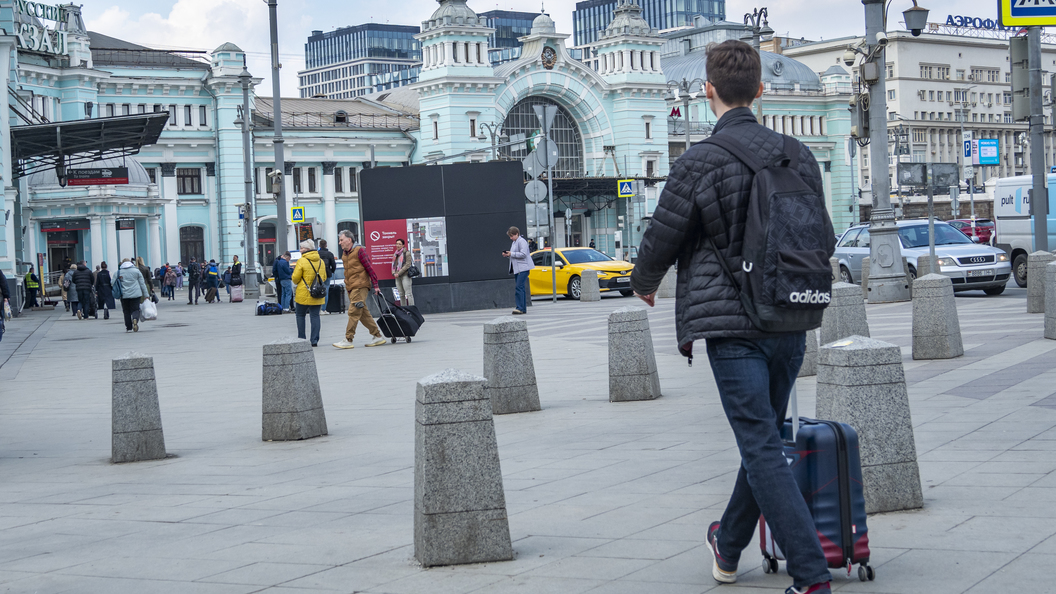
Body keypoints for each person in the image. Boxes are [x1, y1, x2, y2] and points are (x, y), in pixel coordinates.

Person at [629, 41, 834, 594]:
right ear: (762, 91)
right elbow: (823, 233)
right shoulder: (799, 154)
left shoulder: (700, 159)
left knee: (760, 445)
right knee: (762, 439)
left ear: (708, 90)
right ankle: (729, 544)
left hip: (732, 325)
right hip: (791, 316)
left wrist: (644, 283)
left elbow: (662, 235)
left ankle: (812, 577)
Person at [332, 230, 386, 349]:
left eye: (341, 240)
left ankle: (348, 339)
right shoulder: (345, 253)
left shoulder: (359, 250)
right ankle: (377, 336)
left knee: (354, 311)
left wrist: (375, 285)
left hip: (360, 285)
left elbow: (369, 268)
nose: (340, 243)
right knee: (363, 314)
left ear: (349, 240)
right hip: (351, 287)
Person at [291, 239, 326, 347]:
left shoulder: (302, 261)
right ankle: (314, 340)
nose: (300, 250)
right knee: (315, 316)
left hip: (303, 293)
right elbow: (323, 277)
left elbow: (295, 278)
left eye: (301, 248)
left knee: (300, 315)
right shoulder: (321, 261)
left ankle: (302, 339)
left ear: (307, 249)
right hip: (317, 293)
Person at [503, 226, 533, 315]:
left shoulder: (521, 242)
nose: (511, 238)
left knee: (519, 287)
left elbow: (523, 254)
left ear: (516, 234)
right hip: (518, 268)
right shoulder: (515, 242)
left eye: (511, 236)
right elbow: (516, 255)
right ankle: (522, 308)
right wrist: (508, 254)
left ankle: (520, 307)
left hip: (522, 268)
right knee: (521, 288)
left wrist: (511, 253)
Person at [115, 259, 149, 332]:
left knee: (126, 311)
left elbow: (112, 282)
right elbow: (142, 283)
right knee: (136, 309)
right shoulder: (136, 271)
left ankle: (129, 327)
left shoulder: (118, 272)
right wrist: (146, 295)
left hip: (124, 295)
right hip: (136, 294)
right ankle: (135, 319)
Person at [391, 238, 414, 306]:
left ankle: (411, 309)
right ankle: (403, 309)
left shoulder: (406, 253)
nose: (398, 245)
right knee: (401, 294)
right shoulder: (395, 254)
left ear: (403, 245)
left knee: (408, 293)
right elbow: (393, 265)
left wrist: (399, 273)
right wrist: (394, 273)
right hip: (397, 277)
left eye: (399, 244)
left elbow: (407, 265)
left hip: (405, 275)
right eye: (397, 244)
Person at [318, 239, 337, 311]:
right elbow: (333, 265)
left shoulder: (317, 254)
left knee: (318, 290)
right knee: (325, 291)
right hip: (327, 274)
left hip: (318, 275)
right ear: (326, 245)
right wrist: (331, 271)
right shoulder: (330, 254)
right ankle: (323, 309)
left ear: (319, 245)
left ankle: (318, 308)